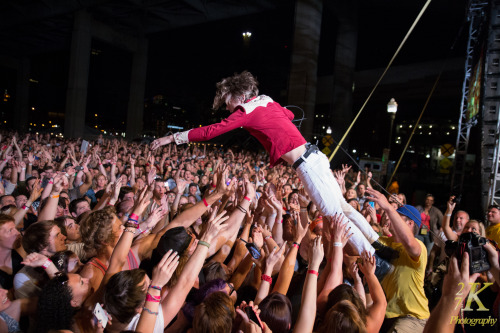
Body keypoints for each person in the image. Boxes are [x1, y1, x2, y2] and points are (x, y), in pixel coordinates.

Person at [151, 70, 395, 276]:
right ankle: (378, 245)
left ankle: (377, 261)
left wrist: (171, 138)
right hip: (316, 156)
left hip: (306, 165)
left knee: (335, 217)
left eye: (228, 102)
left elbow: (210, 132)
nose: (227, 108)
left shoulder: (244, 111)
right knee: (343, 207)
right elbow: (288, 115)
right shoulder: (266, 99)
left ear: (241, 96)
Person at [366, 188, 430, 333]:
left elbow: (408, 241)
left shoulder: (419, 246)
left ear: (410, 224)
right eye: (389, 214)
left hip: (412, 317)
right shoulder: (383, 242)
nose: (388, 217)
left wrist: (388, 207)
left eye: (396, 216)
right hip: (385, 314)